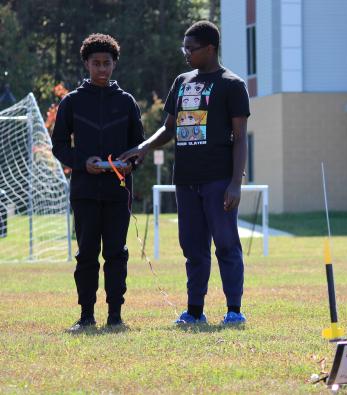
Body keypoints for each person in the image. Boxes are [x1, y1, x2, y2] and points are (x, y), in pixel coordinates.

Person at [119, 21, 250, 325]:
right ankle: (194, 311)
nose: (186, 54)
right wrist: (144, 146)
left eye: (191, 49)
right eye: (184, 48)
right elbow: (169, 127)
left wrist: (235, 183)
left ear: (210, 48)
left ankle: (234, 310)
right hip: (186, 179)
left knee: (227, 244)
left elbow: (240, 137)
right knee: (193, 248)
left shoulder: (232, 84)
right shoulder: (182, 81)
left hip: (219, 179)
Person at [52, 33, 145, 331]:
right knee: (87, 254)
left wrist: (129, 165)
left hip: (118, 192)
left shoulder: (127, 102)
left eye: (107, 63)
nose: (102, 69)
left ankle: (115, 316)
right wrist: (84, 163)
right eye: (96, 63)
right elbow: (59, 146)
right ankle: (86, 316)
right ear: (86, 64)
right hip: (85, 192)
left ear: (115, 64)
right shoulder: (72, 103)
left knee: (116, 253)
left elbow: (138, 147)